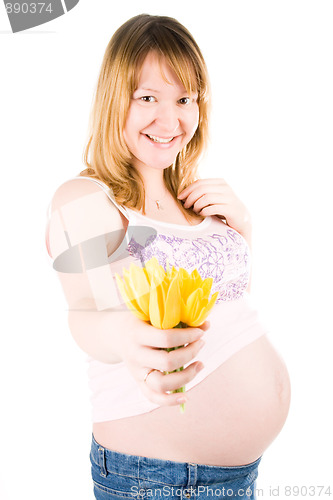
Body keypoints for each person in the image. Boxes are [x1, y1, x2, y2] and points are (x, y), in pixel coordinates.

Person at [45, 14, 291, 499]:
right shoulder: (86, 199)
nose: (170, 119)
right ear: (115, 97)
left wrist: (242, 233)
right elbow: (88, 312)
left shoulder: (196, 199)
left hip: (236, 478)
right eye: (147, 98)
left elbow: (219, 313)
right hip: (160, 480)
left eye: (184, 99)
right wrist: (124, 335)